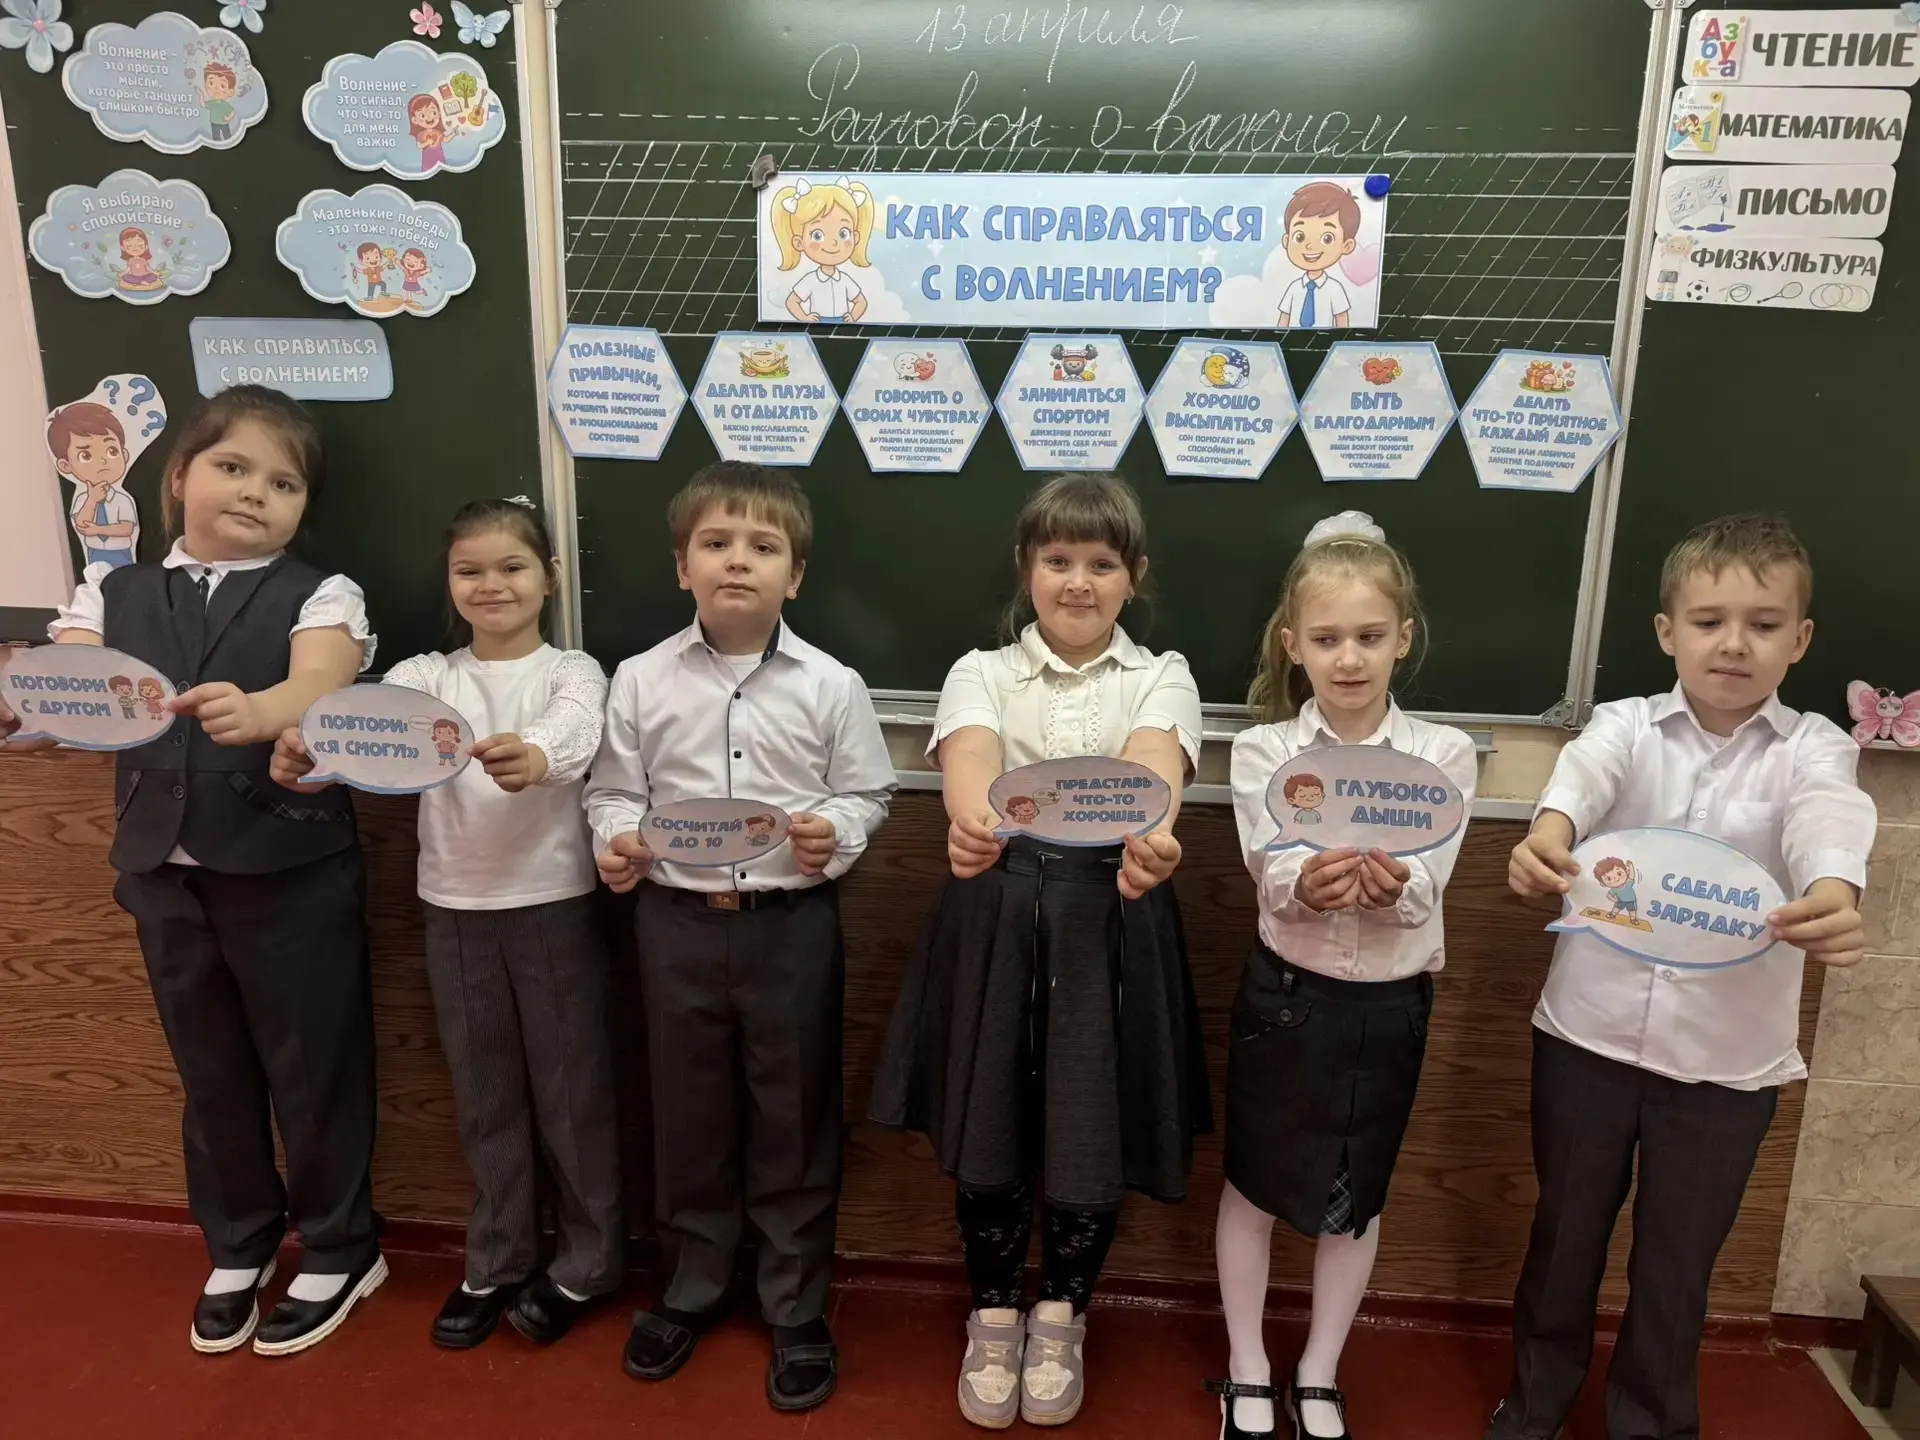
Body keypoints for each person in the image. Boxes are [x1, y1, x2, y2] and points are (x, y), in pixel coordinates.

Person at [0, 386, 383, 1357]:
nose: (256, 492)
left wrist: (264, 711)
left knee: (314, 1064)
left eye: (284, 483)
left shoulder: (322, 594)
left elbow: (321, 680)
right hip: (161, 872)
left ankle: (341, 1244)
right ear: (178, 477)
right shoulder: (113, 592)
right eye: (233, 467)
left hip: (290, 867)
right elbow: (67, 681)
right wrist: (25, 696)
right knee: (207, 1064)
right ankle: (240, 1238)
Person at [1486, 514, 1874, 1440]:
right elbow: (1579, 783)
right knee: (1563, 1239)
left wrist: (1832, 888)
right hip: (1588, 1035)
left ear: (1800, 640)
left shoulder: (1816, 748)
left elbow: (1828, 816)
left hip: (1725, 1062)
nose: (1734, 643)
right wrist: (1548, 837)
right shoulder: (1623, 724)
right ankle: (1533, 1410)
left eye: (1763, 624)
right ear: (1667, 632)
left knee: (1678, 1263)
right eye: (1708, 621)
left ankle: (1652, 1423)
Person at [870, 472, 1211, 1430]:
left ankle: (1062, 1313)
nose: (1078, 582)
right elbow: (972, 766)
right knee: (991, 1111)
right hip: (998, 905)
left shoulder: (1162, 673)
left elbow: (1152, 770)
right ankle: (992, 1311)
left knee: (1089, 1116)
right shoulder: (981, 670)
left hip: (1112, 909)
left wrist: (1155, 834)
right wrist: (974, 823)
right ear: (1026, 568)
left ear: (1134, 576)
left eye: (1102, 563)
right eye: (1058, 559)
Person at [271, 497, 623, 1353]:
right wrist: (310, 755)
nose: (491, 584)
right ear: (449, 581)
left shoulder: (573, 670)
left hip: (553, 905)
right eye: (470, 570)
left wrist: (534, 755)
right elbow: (366, 736)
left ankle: (590, 1260)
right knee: (484, 1094)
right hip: (454, 910)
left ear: (550, 577)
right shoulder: (425, 675)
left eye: (512, 566)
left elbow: (574, 732)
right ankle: (499, 1257)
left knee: (572, 1096)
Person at [585, 461, 894, 1412]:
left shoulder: (833, 684)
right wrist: (616, 841)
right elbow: (612, 792)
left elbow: (867, 792)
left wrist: (833, 832)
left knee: (792, 1116)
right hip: (674, 924)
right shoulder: (640, 679)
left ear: (793, 576)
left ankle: (794, 1302)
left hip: (789, 928)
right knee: (687, 1113)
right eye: (715, 543)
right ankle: (692, 1284)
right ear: (682, 565)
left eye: (763, 547)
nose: (737, 561)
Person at [1208, 511, 1478, 1440]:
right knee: (1253, 1186)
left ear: (1404, 638)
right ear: (1294, 645)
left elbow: (1429, 883)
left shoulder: (1441, 755)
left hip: (1391, 1006)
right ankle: (1247, 1366)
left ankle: (1319, 1370)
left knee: (1355, 1200)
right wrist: (1305, 887)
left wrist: (1398, 888)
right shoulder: (1266, 752)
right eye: (1326, 639)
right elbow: (1270, 867)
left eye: (1369, 636)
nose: (1349, 658)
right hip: (1287, 1001)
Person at [48, 401, 139, 570]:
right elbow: (82, 525)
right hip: (95, 553)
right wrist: (92, 500)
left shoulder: (122, 499)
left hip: (120, 553)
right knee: (98, 583)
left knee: (125, 581)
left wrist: (99, 529)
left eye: (112, 451)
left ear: (124, 455)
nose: (103, 461)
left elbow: (127, 528)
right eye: (86, 455)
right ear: (65, 466)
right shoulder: (82, 500)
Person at [1276, 183, 1360, 330]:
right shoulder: (1294, 287)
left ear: (1346, 246)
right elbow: (1284, 317)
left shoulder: (1335, 288)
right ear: (1287, 241)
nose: (1309, 246)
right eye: (1300, 237)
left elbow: (1341, 319)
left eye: (1327, 238)